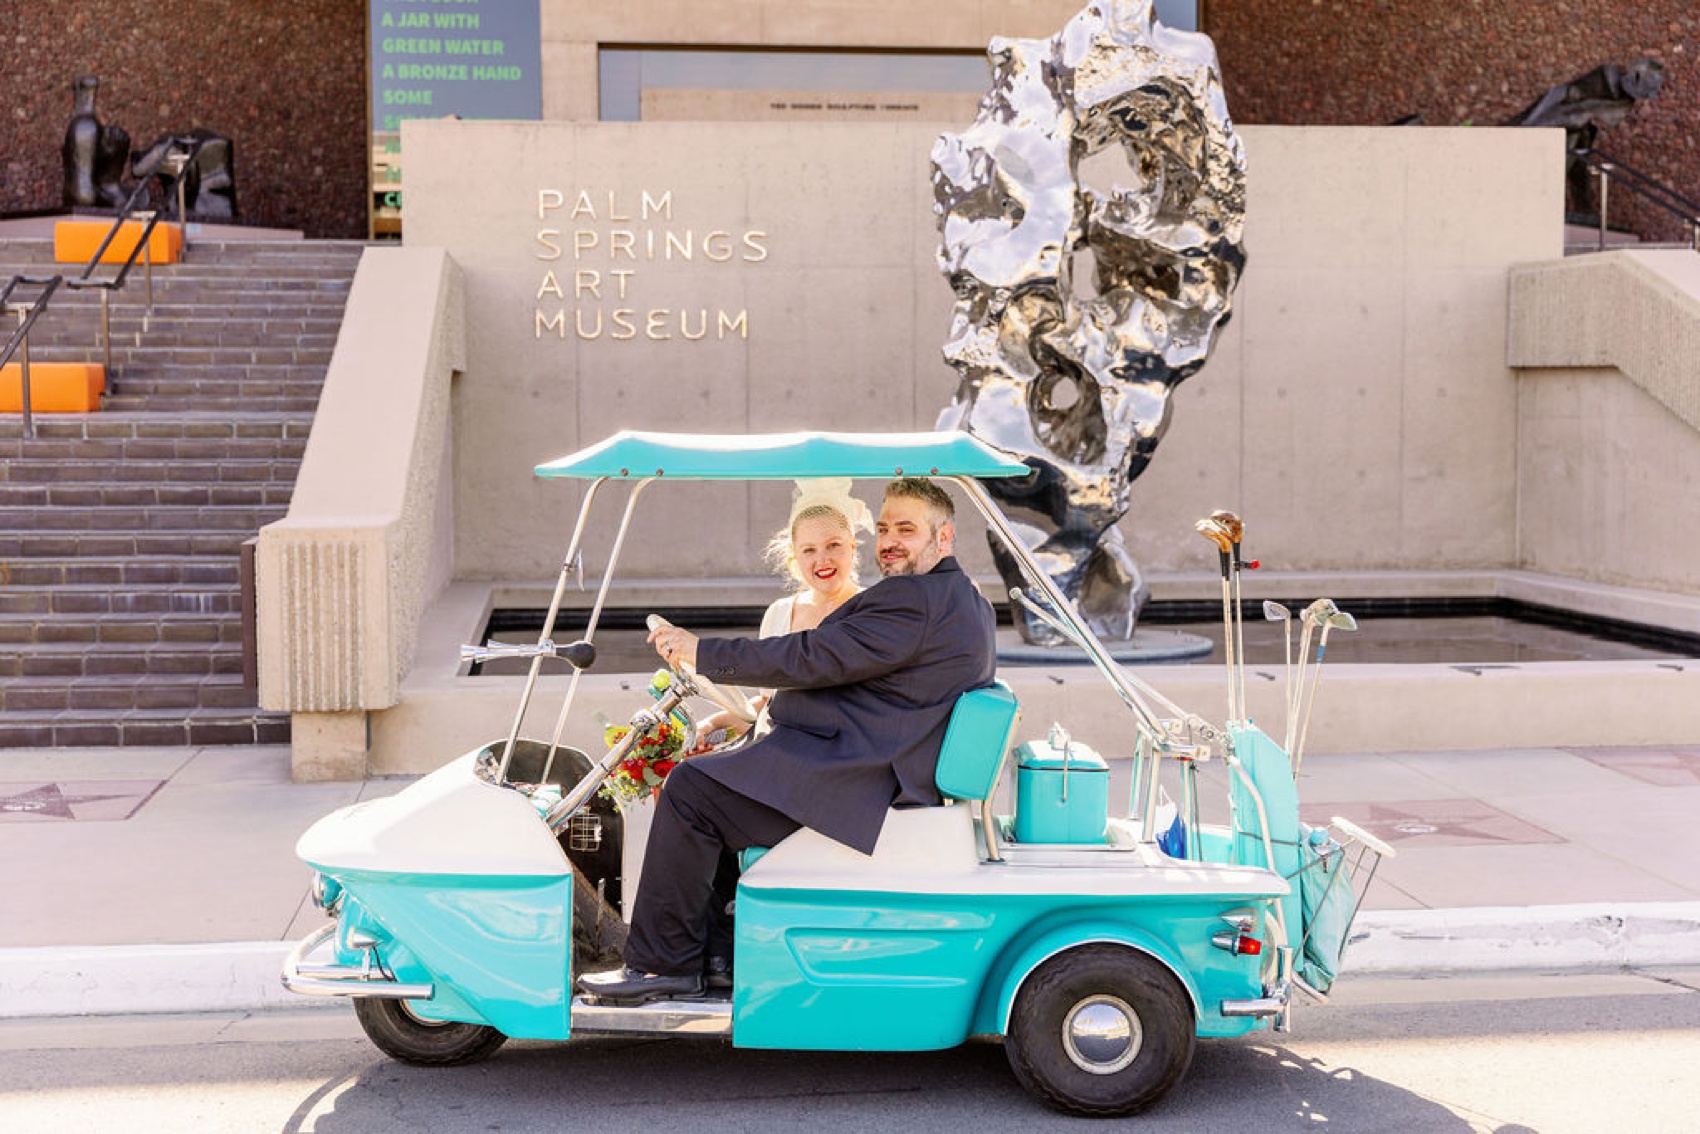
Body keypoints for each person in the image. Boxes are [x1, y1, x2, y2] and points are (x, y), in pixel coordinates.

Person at [577, 477, 997, 1004]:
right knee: (723, 771)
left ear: (944, 536)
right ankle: (717, 954)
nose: (891, 540)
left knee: (691, 791)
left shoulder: (914, 600)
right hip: (872, 759)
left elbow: (812, 656)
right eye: (885, 527)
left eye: (907, 530)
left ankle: (661, 964)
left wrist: (699, 650)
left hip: (857, 777)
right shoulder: (963, 597)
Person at [698, 477, 874, 743]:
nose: (822, 559)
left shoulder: (874, 610)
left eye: (833, 545)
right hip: (781, 750)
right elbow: (771, 706)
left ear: (851, 546)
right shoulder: (779, 613)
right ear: (795, 557)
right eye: (809, 550)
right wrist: (711, 725)